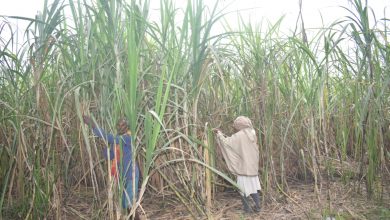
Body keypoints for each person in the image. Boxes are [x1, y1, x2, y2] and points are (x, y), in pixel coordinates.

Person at [82, 115, 140, 219]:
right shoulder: (116, 142)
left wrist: (92, 125)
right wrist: (104, 146)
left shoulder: (128, 138)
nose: (120, 127)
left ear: (127, 126)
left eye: (123, 125)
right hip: (123, 176)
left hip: (132, 174)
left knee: (129, 204)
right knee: (123, 204)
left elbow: (110, 138)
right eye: (118, 125)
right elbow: (109, 156)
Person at [214, 116, 261, 213]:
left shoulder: (240, 135)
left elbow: (227, 143)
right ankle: (258, 207)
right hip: (252, 167)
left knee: (242, 188)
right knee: (253, 187)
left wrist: (219, 134)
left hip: (244, 168)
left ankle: (247, 210)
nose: (235, 127)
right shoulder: (252, 133)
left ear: (240, 125)